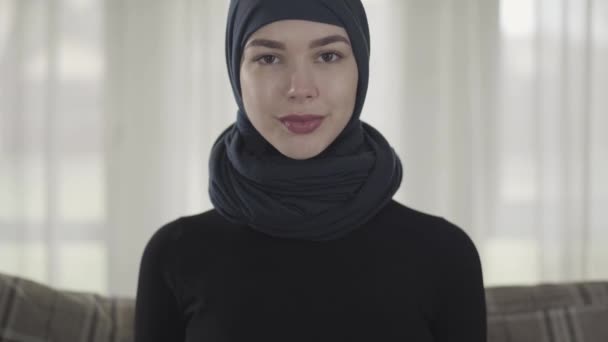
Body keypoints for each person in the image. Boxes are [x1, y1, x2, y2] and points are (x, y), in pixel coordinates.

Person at [134, 0, 487, 341]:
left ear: (360, 68)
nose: (299, 89)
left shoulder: (444, 255)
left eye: (328, 56)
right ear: (235, 72)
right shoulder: (175, 255)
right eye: (268, 58)